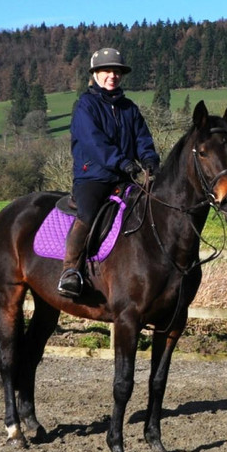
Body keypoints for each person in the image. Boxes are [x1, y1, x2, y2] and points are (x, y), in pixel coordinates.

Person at [57, 47, 161, 297]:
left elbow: (142, 138)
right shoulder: (85, 105)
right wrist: (121, 162)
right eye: (106, 71)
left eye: (116, 71)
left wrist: (149, 159)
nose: (112, 75)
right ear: (95, 74)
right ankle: (70, 271)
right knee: (88, 214)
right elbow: (94, 142)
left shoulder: (129, 108)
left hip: (124, 177)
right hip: (92, 177)